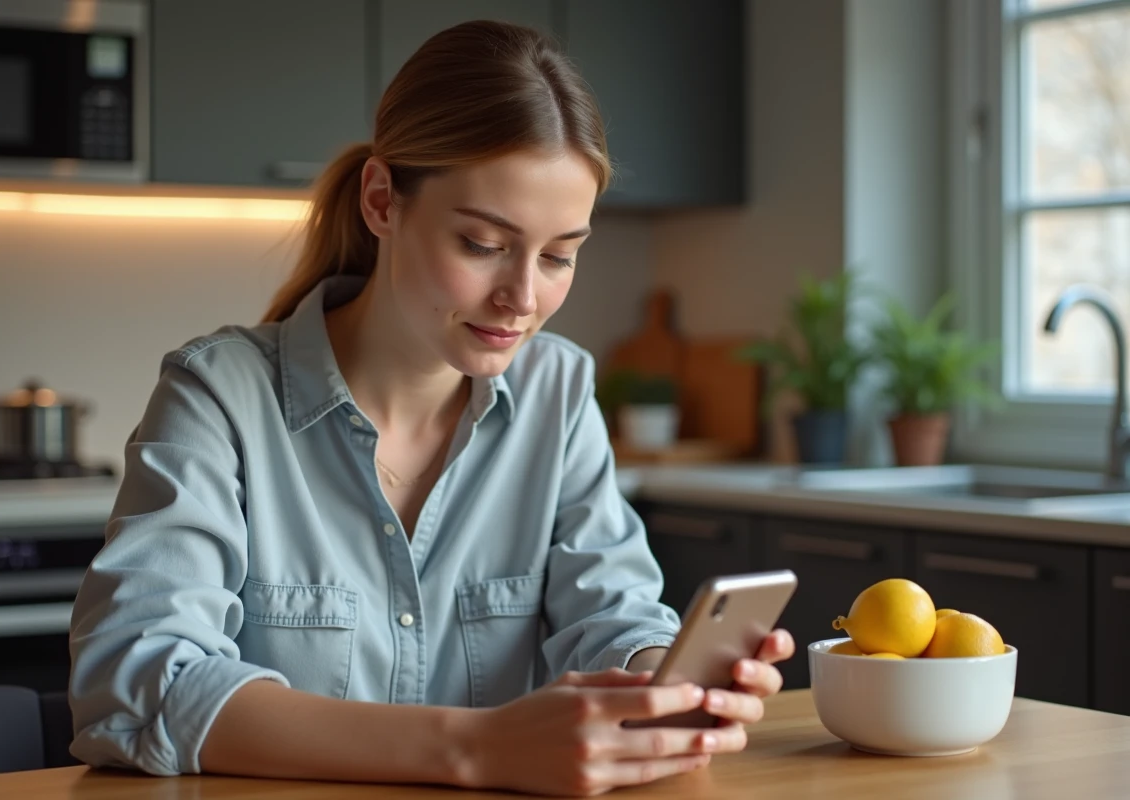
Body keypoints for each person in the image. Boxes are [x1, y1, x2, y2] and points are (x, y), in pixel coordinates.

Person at [68, 19, 794, 797]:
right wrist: (476, 748)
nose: (523, 298)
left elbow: (612, 618)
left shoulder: (558, 391)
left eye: (559, 256)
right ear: (382, 201)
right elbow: (137, 679)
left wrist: (667, 685)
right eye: (483, 244)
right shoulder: (218, 397)